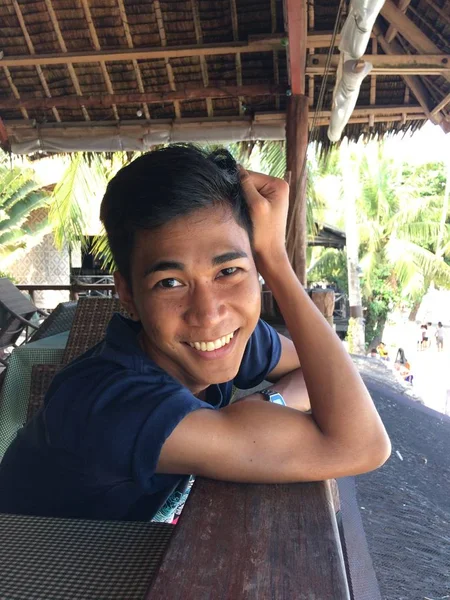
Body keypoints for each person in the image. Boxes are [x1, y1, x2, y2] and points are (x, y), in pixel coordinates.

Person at [0, 145, 391, 522]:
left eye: (228, 271)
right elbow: (359, 444)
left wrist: (270, 400)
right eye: (170, 283)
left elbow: (320, 374)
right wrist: (278, 265)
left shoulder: (226, 337)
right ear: (128, 294)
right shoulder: (112, 402)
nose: (208, 314)